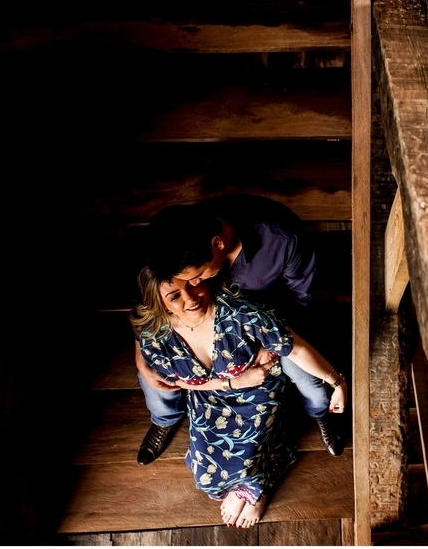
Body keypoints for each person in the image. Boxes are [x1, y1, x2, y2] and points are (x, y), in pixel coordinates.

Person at [135, 194, 346, 465]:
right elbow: (150, 298)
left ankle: (320, 413)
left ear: (218, 244)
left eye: (197, 277)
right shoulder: (182, 235)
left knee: (307, 377)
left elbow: (301, 300)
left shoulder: (281, 242)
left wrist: (267, 340)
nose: (195, 283)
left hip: (269, 322)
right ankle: (164, 419)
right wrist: (141, 356)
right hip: (200, 318)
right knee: (153, 372)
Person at [130, 267, 348, 528]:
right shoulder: (158, 337)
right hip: (209, 397)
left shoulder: (238, 312)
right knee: (206, 477)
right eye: (174, 296)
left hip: (258, 391)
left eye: (192, 284)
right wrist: (229, 382)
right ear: (161, 304)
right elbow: (178, 381)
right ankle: (255, 480)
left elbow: (295, 347)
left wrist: (337, 382)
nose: (190, 298)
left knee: (246, 457)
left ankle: (256, 492)